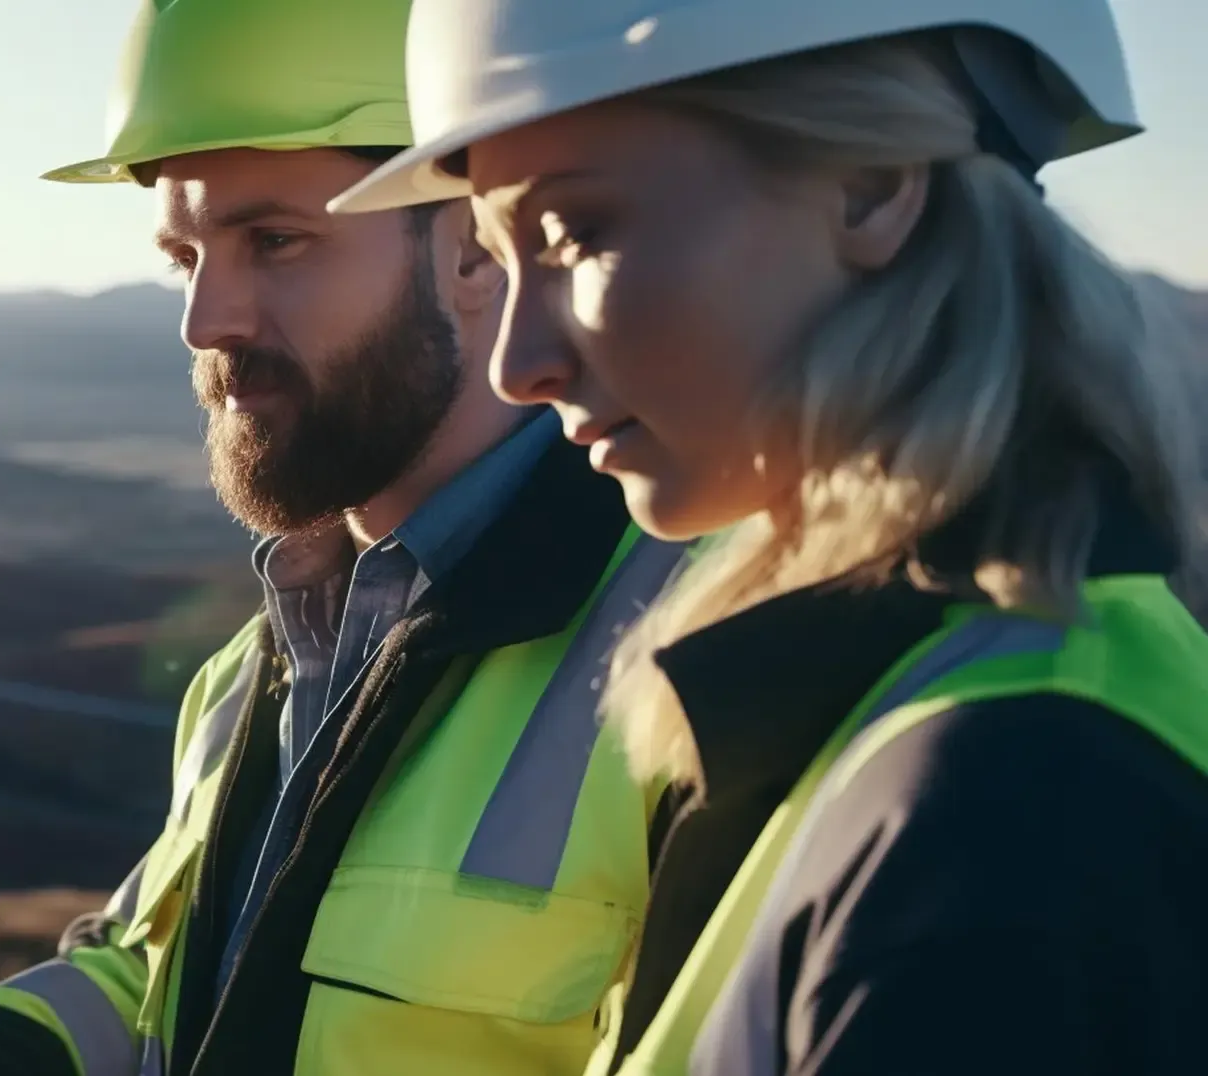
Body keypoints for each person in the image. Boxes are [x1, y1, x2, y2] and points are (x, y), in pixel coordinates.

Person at [0, 2, 689, 1075]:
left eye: (275, 241)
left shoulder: (698, 652)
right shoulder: (254, 671)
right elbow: (155, 984)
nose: (205, 319)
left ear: (474, 242)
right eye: (186, 254)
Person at [328, 1, 1208, 1073]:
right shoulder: (946, 701)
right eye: (502, 261)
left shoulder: (1013, 814)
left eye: (575, 234)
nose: (517, 362)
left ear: (874, 186)